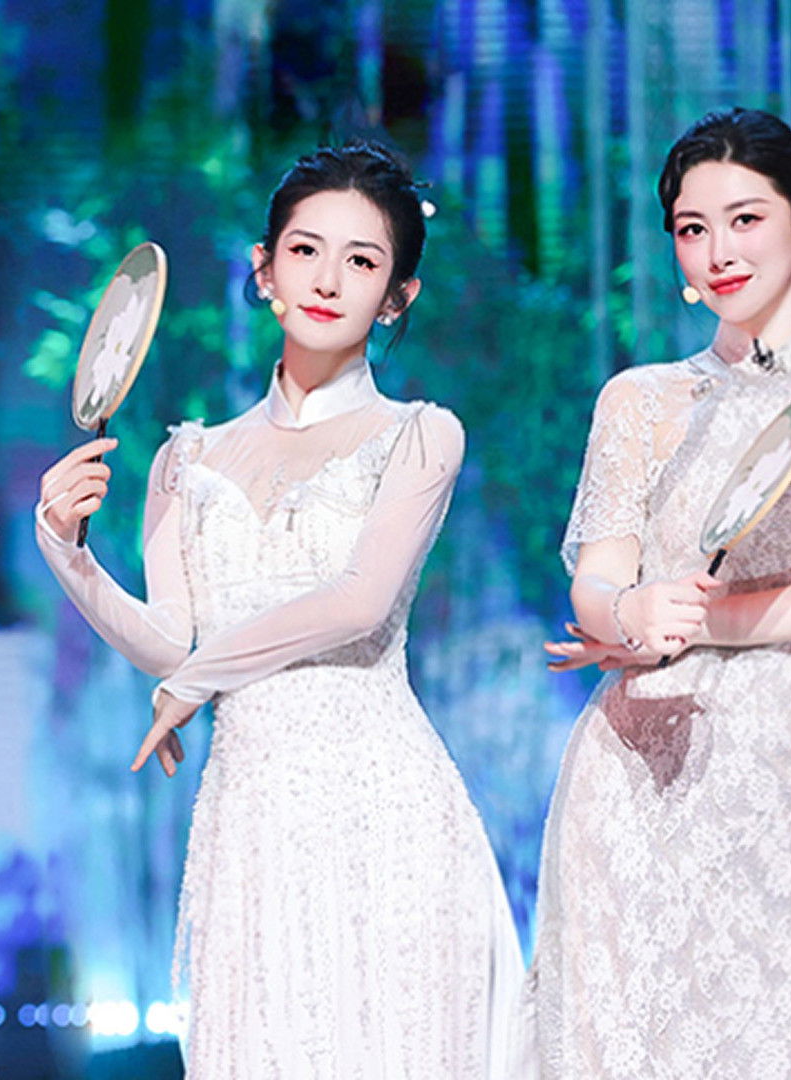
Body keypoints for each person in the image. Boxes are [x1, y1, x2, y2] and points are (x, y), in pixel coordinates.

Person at [35, 141, 525, 1076]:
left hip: (383, 807)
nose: (328, 280)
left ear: (398, 298)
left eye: (362, 261)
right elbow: (169, 640)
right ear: (264, 270)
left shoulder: (420, 436)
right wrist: (64, 548)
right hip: (252, 819)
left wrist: (198, 679)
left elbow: (359, 601)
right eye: (305, 251)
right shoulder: (186, 458)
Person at [530, 107, 791, 1079]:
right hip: (641, 763)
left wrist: (703, 620)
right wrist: (626, 613)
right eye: (692, 227)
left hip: (785, 770)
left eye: (746, 219)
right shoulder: (639, 400)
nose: (719, 251)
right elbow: (597, 579)